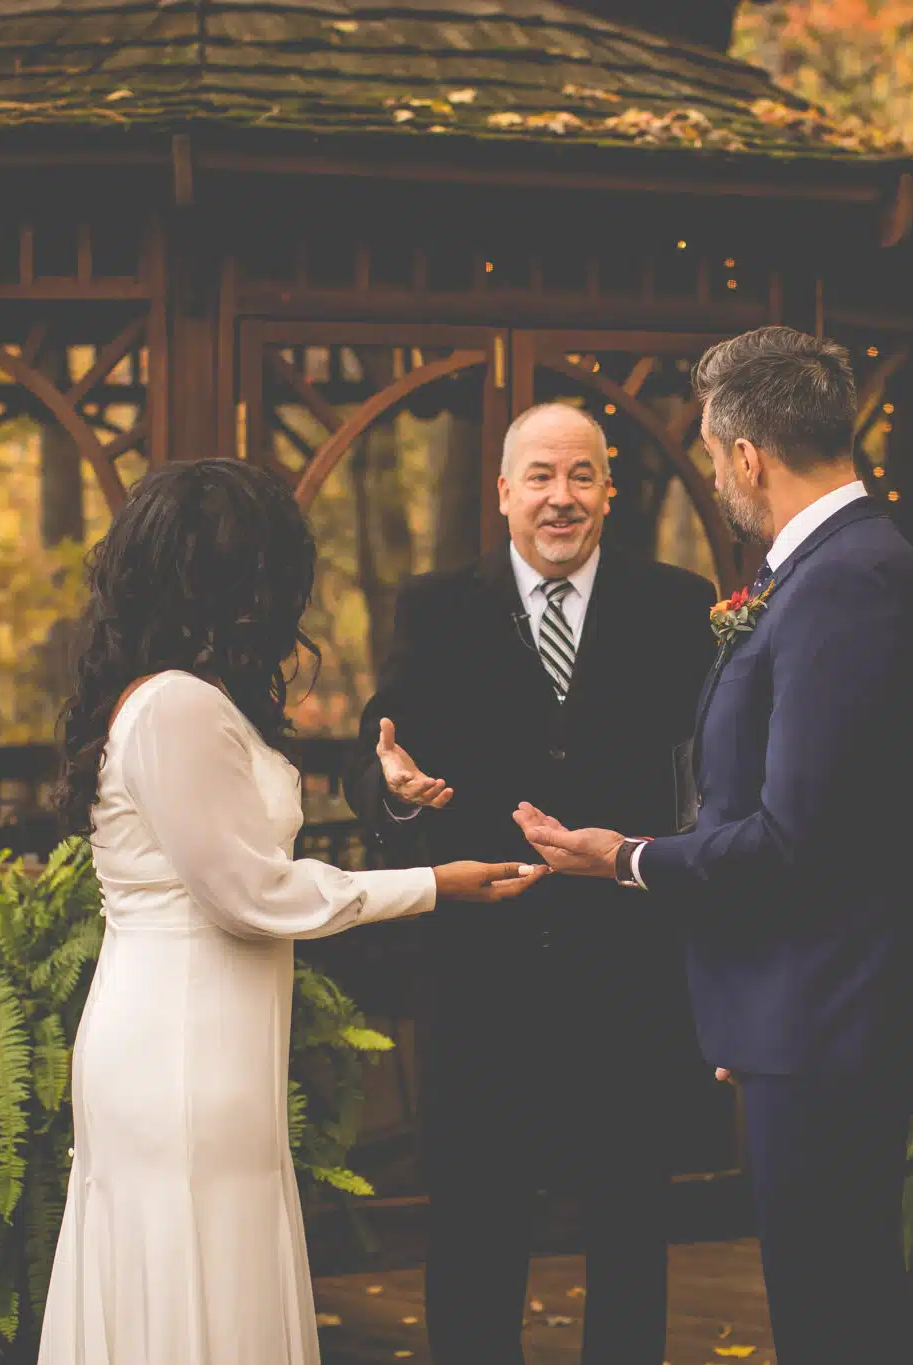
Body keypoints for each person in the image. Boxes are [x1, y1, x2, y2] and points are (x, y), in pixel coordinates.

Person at [513, 328, 913, 1365]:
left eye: (716, 458)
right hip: (808, 1006)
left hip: (832, 1014)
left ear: (746, 455)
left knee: (831, 1308)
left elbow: (791, 840)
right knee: (840, 1292)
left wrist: (621, 858)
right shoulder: (826, 569)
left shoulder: (843, 582)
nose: (718, 477)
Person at [37, 459, 546, 1365]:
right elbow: (253, 894)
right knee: (198, 1276)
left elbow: (237, 848)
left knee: (215, 1267)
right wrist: (435, 882)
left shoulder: (190, 699)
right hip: (181, 1048)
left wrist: (392, 796)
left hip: (208, 1033)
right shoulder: (175, 708)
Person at [347, 403, 716, 1365]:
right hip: (483, 972)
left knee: (631, 1228)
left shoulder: (678, 604)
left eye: (582, 475)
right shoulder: (436, 606)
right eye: (542, 476)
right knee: (476, 1224)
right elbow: (379, 750)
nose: (563, 497)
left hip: (628, 969)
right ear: (504, 491)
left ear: (610, 489)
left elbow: (706, 777)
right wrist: (391, 787)